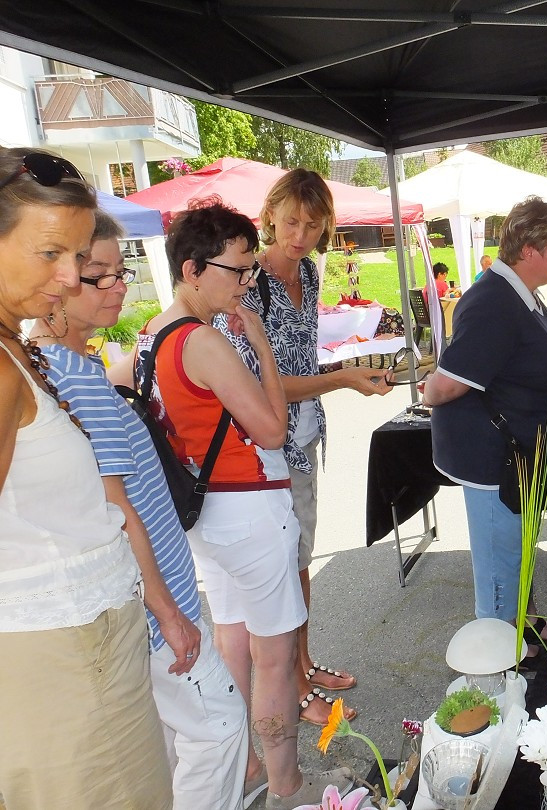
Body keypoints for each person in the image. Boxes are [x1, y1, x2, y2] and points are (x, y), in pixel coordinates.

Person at [118, 199, 353, 809]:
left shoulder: (152, 334)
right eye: (238, 269)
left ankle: (246, 763)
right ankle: (286, 782)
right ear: (194, 270)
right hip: (248, 504)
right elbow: (273, 429)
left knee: (233, 637)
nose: (248, 282)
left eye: (251, 269)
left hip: (204, 512)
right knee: (275, 655)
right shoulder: (202, 341)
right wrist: (261, 346)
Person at [34, 210, 250, 810]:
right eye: (96, 275)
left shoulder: (75, 369)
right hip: (158, 606)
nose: (117, 286)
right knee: (220, 727)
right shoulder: (69, 378)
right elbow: (115, 507)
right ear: (57, 280)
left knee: (176, 739)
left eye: (119, 271)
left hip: (153, 601)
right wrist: (167, 612)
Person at [0, 147, 171, 807]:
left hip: (82, 652)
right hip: (66, 663)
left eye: (78, 256)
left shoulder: (14, 343)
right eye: (50, 254)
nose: (71, 277)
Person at [219, 168, 390, 729]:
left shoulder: (310, 274)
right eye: (291, 221)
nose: (300, 234)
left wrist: (350, 375)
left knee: (302, 563)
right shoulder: (251, 284)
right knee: (284, 566)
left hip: (304, 436)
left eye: (313, 225)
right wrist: (342, 379)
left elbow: (300, 363)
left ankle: (305, 663)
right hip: (265, 447)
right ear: (269, 216)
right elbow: (260, 387)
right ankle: (292, 686)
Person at [423, 196, 547, 627]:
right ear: (529, 250)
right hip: (494, 459)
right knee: (498, 567)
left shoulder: (520, 292)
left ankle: (521, 626)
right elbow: (449, 383)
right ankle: (497, 664)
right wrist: (427, 393)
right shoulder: (494, 300)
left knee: (516, 553)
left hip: (518, 453)